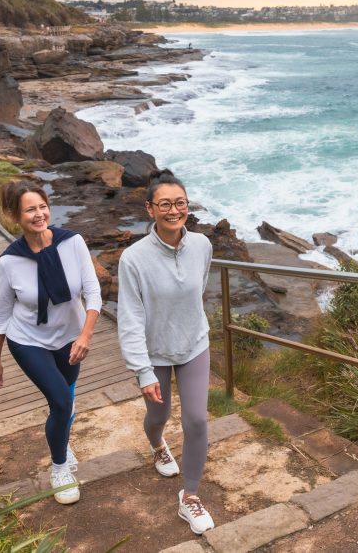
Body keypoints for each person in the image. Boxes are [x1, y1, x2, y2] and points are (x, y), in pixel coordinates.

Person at [0, 181, 101, 505]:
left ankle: (61, 439)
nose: (39, 215)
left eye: (42, 207)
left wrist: (85, 335)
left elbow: (93, 293)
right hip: (27, 340)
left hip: (71, 338)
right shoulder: (9, 261)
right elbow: (2, 312)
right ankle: (60, 468)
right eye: (30, 209)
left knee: (65, 398)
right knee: (62, 403)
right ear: (14, 216)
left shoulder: (73, 243)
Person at [117, 169, 215, 534]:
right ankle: (157, 443)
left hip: (193, 345)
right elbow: (129, 317)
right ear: (150, 209)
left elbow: (197, 290)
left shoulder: (203, 246)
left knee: (196, 420)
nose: (174, 210)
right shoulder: (133, 259)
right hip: (154, 352)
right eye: (165, 204)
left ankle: (189, 496)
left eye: (180, 203)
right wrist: (141, 370)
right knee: (159, 416)